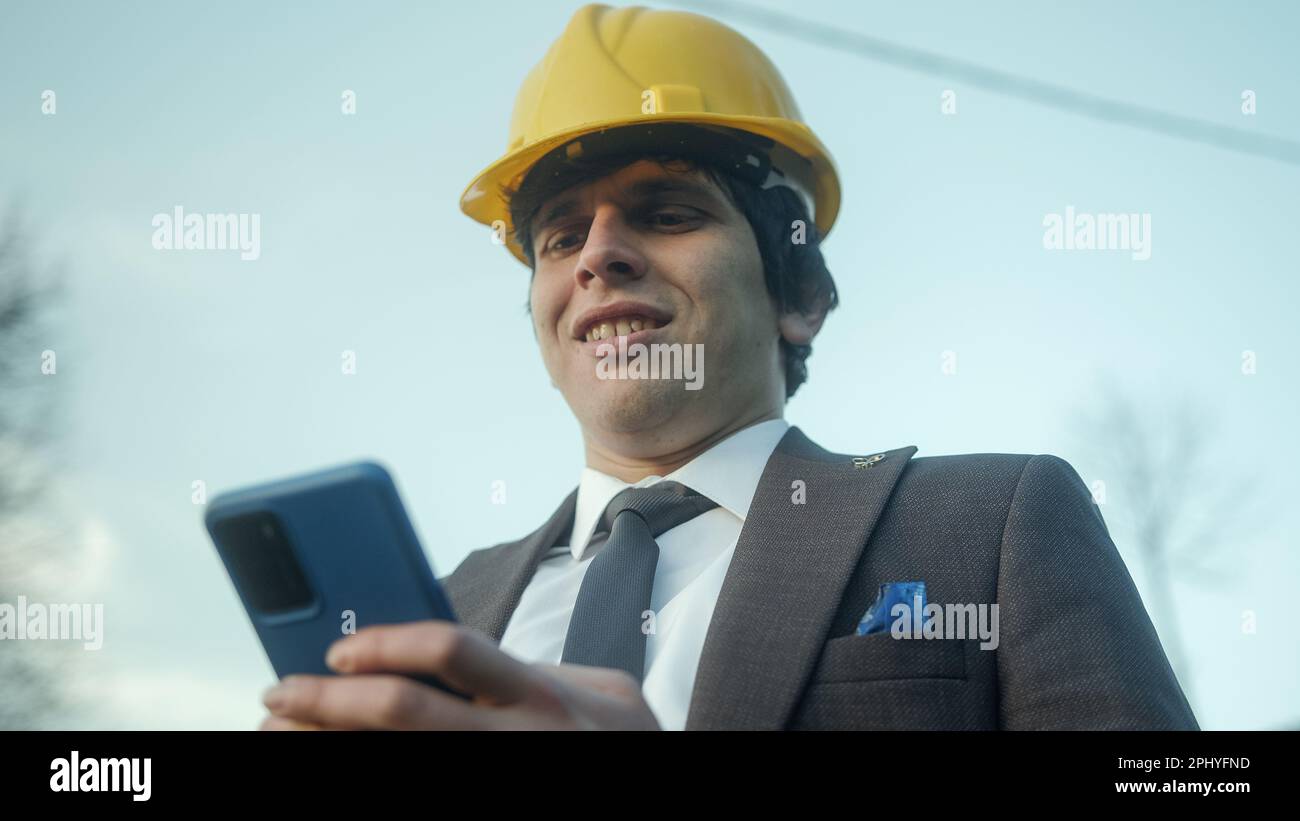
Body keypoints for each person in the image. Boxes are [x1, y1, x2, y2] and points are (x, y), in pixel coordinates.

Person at [259, 3, 1198, 731]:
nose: (596, 257)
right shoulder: (446, 611)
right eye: (558, 237)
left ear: (799, 297)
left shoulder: (991, 523)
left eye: (667, 212)